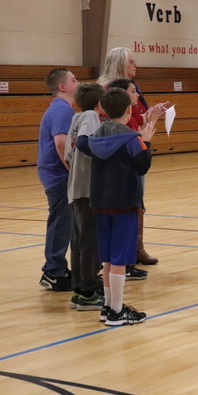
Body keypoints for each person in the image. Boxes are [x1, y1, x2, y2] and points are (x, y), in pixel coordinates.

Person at [77, 87, 155, 326]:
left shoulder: (96, 136)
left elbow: (81, 144)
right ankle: (117, 311)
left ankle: (108, 307)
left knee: (108, 258)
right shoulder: (132, 139)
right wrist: (147, 141)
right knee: (120, 258)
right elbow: (142, 166)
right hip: (124, 203)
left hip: (100, 203)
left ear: (103, 110)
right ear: (129, 109)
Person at [97, 47, 167, 265]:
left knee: (137, 200)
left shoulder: (132, 88)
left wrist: (150, 115)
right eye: (131, 61)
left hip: (135, 143)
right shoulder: (109, 89)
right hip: (124, 150)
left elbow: (134, 117)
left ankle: (136, 248)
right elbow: (118, 120)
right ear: (120, 63)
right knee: (128, 202)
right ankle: (125, 254)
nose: (135, 65)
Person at [64, 83, 105, 310]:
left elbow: (68, 153)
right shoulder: (90, 116)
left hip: (75, 187)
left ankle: (79, 289)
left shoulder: (75, 118)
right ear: (100, 103)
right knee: (90, 242)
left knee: (79, 241)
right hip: (88, 189)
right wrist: (105, 153)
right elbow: (82, 143)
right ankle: (89, 291)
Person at [38, 68, 79, 291]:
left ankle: (58, 268)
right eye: (73, 80)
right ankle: (53, 271)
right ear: (62, 87)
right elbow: (61, 143)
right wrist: (73, 171)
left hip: (55, 172)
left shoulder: (61, 108)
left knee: (65, 221)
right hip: (59, 174)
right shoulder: (62, 110)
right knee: (61, 221)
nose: (78, 82)